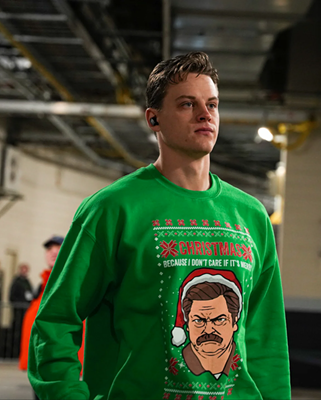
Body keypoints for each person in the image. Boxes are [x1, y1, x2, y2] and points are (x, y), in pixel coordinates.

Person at [28, 52, 290, 400]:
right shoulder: (112, 209)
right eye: (187, 104)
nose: (204, 114)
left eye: (212, 104)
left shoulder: (252, 215)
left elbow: (266, 337)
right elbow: (55, 322)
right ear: (154, 119)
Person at [19, 236, 64, 371]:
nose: (54, 252)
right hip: (39, 358)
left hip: (57, 360)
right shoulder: (42, 284)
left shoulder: (68, 283)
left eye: (59, 247)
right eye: (50, 249)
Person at [9, 263, 33, 357]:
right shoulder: (16, 281)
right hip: (18, 311)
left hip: (25, 311)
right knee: (17, 331)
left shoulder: (27, 281)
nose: (24, 271)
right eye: (23, 269)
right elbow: (12, 296)